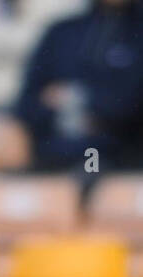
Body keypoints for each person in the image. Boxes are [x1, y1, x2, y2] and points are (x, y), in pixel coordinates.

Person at [13, 0, 143, 170]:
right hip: (53, 151)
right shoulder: (62, 32)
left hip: (116, 156)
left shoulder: (136, 33)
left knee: (92, 170)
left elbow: (129, 103)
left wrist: (79, 99)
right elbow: (26, 105)